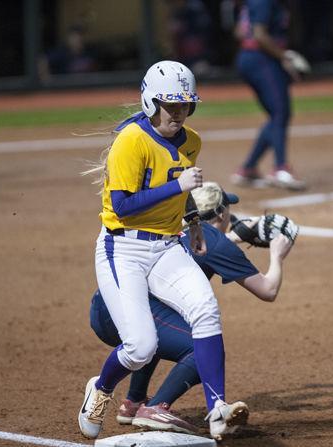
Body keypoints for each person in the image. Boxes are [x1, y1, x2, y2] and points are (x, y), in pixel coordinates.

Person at [78, 61, 248, 441]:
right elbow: (122, 206)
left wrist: (193, 224)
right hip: (122, 247)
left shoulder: (191, 141)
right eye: (170, 105)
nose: (178, 113)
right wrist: (179, 187)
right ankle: (102, 388)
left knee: (205, 311)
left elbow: (180, 193)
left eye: (185, 105)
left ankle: (217, 409)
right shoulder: (131, 141)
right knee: (140, 348)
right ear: (150, 102)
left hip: (168, 246)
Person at [89, 181, 295, 435]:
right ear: (221, 214)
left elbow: (201, 250)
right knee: (201, 346)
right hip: (134, 314)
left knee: (160, 329)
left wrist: (232, 239)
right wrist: (277, 255)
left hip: (107, 308)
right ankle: (156, 408)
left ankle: (134, 401)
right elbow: (268, 290)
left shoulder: (171, 228)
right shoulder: (217, 244)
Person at [231, 0, 309, 190]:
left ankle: (248, 169)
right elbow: (259, 35)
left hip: (254, 58)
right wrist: (284, 57)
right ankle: (280, 169)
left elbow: (239, 32)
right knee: (280, 112)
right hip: (260, 59)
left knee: (277, 115)